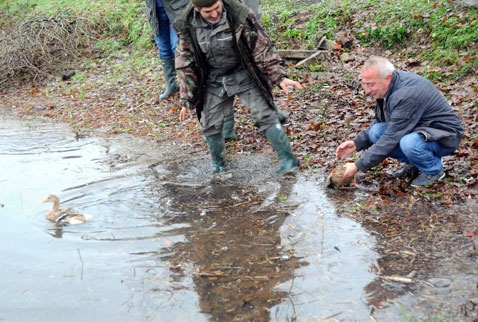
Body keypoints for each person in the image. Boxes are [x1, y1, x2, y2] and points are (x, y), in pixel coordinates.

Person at [173, 0, 302, 174]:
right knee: (209, 122)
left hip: (243, 72)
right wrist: (187, 97)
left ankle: (289, 161)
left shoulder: (238, 14)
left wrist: (279, 77)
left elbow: (260, 47)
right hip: (214, 77)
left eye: (216, 8)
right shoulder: (187, 24)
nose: (213, 14)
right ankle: (219, 167)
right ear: (197, 9)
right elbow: (184, 62)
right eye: (208, 12)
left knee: (265, 114)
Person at [336, 56, 464, 187]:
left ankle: (433, 170)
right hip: (420, 128)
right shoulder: (389, 87)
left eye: (371, 84)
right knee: (375, 132)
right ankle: (415, 163)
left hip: (444, 136)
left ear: (388, 78)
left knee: (409, 143)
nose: (366, 90)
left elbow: (391, 136)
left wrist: (358, 166)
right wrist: (357, 143)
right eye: (365, 83)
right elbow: (383, 122)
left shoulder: (407, 95)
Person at [145, 0, 189, 100]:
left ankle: (188, 88)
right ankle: (171, 85)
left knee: (178, 47)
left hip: (178, 8)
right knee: (164, 49)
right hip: (154, 9)